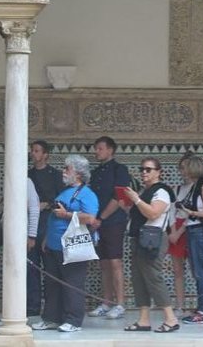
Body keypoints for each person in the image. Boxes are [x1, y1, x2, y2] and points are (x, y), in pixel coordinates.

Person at [31, 154, 99, 333]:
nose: (63, 171)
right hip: (54, 245)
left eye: (67, 168)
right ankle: (51, 318)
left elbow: (90, 218)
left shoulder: (87, 194)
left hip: (72, 247)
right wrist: (46, 239)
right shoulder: (65, 191)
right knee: (52, 284)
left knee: (72, 284)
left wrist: (67, 215)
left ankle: (73, 320)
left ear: (77, 173)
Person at [123, 157, 179, 333]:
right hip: (140, 238)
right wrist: (127, 203)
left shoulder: (161, 191)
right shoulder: (144, 191)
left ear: (158, 172)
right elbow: (138, 215)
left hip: (152, 239)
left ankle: (171, 319)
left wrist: (136, 200)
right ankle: (144, 320)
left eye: (148, 169)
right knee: (138, 278)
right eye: (142, 169)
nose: (144, 173)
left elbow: (154, 213)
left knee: (153, 277)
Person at [88, 135, 130, 319]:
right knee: (103, 263)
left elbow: (119, 197)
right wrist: (94, 219)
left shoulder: (120, 169)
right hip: (98, 223)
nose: (97, 152)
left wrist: (102, 218)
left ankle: (120, 303)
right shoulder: (96, 172)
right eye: (96, 149)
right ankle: (106, 302)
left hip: (113, 221)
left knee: (115, 262)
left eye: (100, 148)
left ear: (110, 150)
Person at [27, 140, 63, 317]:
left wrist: (46, 204)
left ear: (45, 154)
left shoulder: (55, 175)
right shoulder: (28, 175)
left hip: (48, 224)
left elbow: (61, 200)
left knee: (50, 268)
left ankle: (51, 307)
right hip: (31, 224)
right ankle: (32, 306)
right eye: (32, 151)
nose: (33, 154)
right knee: (31, 267)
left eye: (36, 151)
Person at [179, 154, 203, 325]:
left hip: (199, 230)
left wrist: (191, 212)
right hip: (192, 230)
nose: (183, 171)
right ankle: (201, 307)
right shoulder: (193, 187)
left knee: (201, 271)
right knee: (196, 271)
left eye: (185, 167)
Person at [168, 154, 192, 315]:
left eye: (186, 167)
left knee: (197, 269)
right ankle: (179, 305)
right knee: (177, 270)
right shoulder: (176, 189)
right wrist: (172, 231)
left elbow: (194, 213)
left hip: (190, 229)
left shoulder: (199, 188)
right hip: (175, 229)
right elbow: (170, 211)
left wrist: (181, 229)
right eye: (181, 168)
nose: (183, 171)